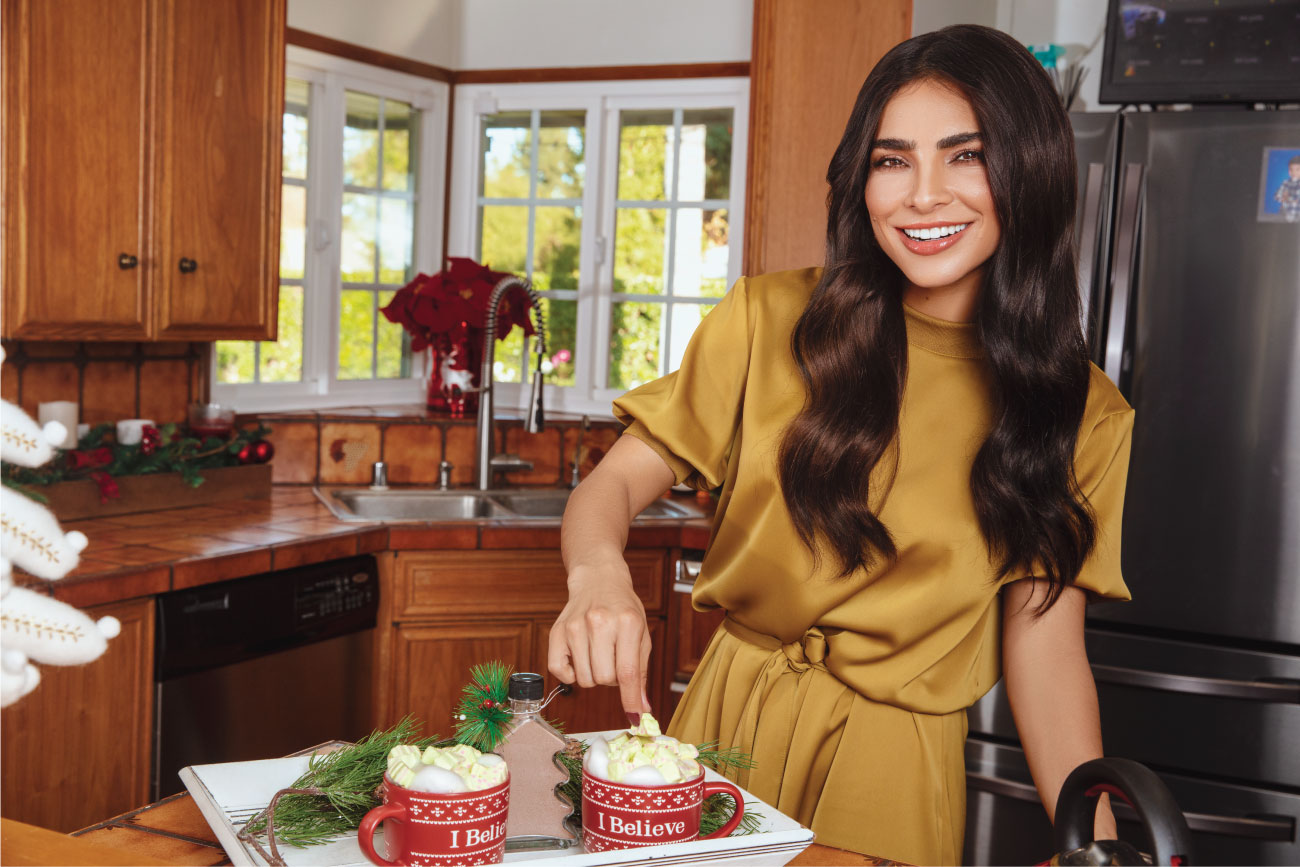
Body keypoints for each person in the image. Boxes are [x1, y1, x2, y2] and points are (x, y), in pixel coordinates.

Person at [548, 24, 1134, 866]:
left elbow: (1045, 647)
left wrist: (1098, 845)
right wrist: (597, 571)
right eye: (891, 161)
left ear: (1028, 172)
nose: (922, 195)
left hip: (892, 767)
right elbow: (609, 488)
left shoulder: (1083, 413)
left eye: (964, 156)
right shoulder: (766, 319)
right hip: (719, 727)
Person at [1275, 154, 1300, 222]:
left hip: (1297, 214)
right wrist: (1284, 197)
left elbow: (1297, 198)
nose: (1294, 172)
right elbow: (1277, 196)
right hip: (1284, 214)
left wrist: (1286, 197)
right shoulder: (1285, 183)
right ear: (1289, 171)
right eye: (1291, 170)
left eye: (1297, 169)